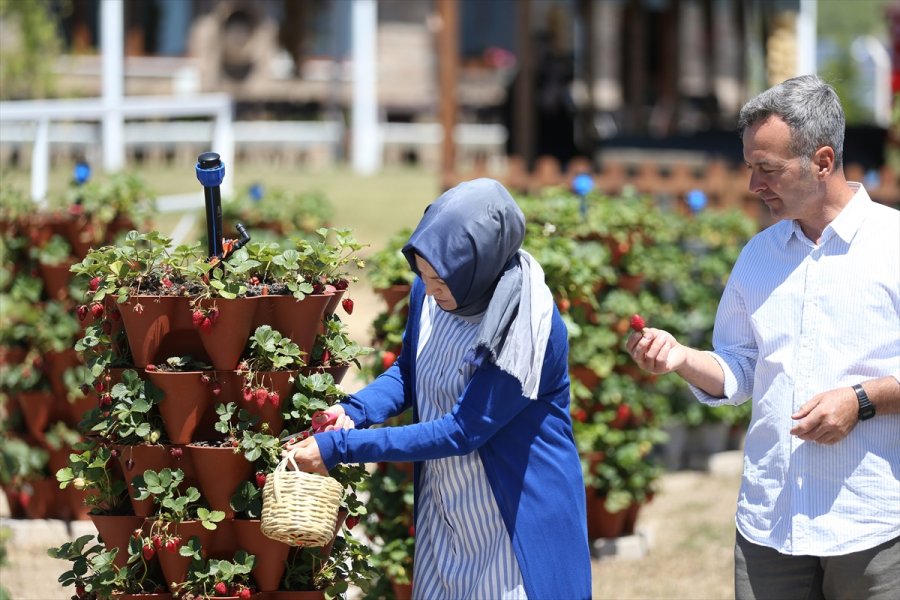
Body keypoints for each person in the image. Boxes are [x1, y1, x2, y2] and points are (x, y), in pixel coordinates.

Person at [627, 74, 900, 600]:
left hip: (875, 523)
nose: (754, 185)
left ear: (823, 161)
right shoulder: (758, 256)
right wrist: (682, 358)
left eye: (768, 169)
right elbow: (740, 368)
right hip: (769, 523)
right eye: (750, 167)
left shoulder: (893, 245)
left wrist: (862, 401)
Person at [285, 178, 592, 599]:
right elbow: (410, 372)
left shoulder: (528, 326)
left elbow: (461, 432)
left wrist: (342, 448)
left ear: (477, 266)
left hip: (516, 518)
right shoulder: (433, 292)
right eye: (423, 275)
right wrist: (354, 412)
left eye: (439, 280)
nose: (429, 289)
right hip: (450, 510)